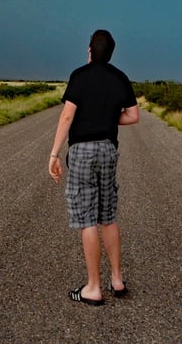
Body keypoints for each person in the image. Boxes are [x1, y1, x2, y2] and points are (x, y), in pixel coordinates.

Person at [49, 29, 139, 306]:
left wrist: (53, 154)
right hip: (108, 149)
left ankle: (93, 287)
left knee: (87, 218)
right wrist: (109, 121)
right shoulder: (120, 77)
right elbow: (133, 115)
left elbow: (67, 116)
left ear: (90, 50)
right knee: (107, 216)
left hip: (82, 151)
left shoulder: (79, 76)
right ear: (110, 53)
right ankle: (117, 279)